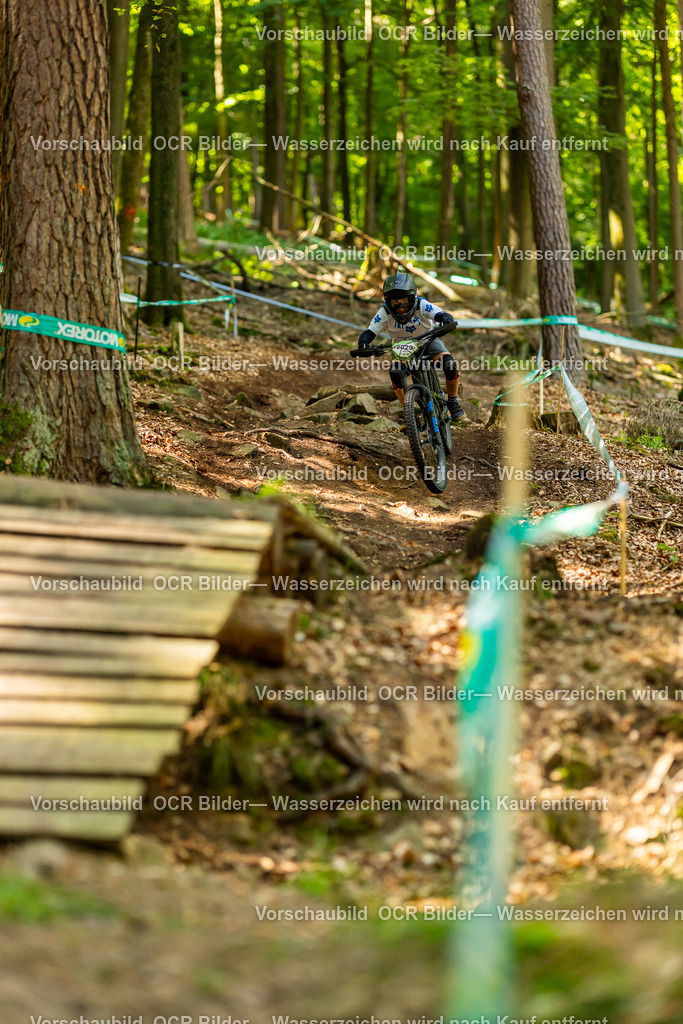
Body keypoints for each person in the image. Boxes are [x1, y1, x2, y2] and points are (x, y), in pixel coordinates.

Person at [356, 271, 465, 420]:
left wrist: (447, 320)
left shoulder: (422, 305)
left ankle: (453, 402)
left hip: (428, 340)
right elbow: (370, 331)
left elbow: (440, 314)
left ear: (413, 297)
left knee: (450, 365)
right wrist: (363, 344)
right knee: (395, 373)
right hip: (402, 347)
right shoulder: (384, 312)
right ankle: (408, 413)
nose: (400, 307)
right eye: (395, 303)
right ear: (388, 302)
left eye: (404, 301)